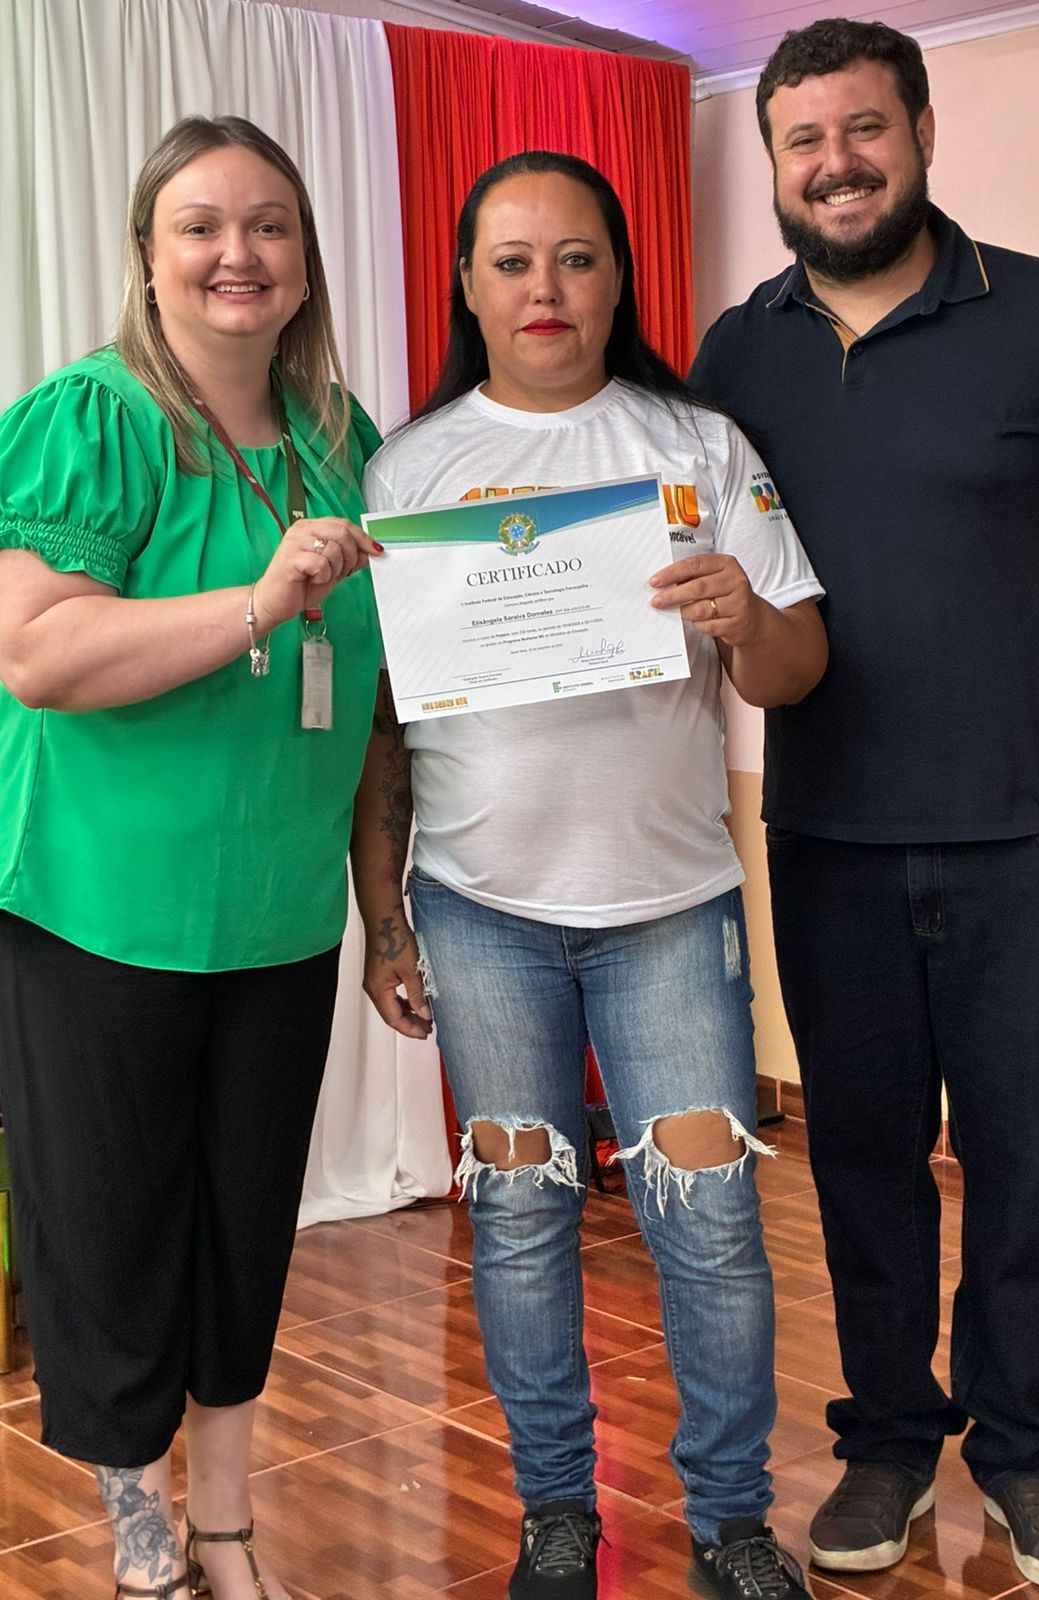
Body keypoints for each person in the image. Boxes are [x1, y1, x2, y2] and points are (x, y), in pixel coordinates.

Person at [689, 17, 1039, 1593]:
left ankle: (1029, 1455)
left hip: (1032, 847)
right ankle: (889, 1447)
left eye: (864, 129)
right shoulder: (734, 355)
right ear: (774, 164)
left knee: (1030, 1166)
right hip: (828, 842)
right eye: (803, 140)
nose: (835, 163)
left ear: (919, 133)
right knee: (861, 1166)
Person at [364, 150, 828, 1600]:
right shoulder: (408, 472)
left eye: (576, 257)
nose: (545, 289)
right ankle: (555, 1511)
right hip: (480, 908)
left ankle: (733, 1520)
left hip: (670, 907)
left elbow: (796, 671)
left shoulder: (697, 446)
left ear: (619, 275)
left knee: (714, 1227)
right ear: (466, 285)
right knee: (516, 1224)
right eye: (511, 262)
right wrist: (384, 916)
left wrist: (747, 615)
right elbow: (383, 724)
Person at [0, 116, 429, 1600]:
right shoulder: (95, 419)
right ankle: (140, 1532)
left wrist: (383, 917)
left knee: (247, 1231)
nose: (237, 253)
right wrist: (257, 600)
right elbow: (38, 655)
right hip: (100, 912)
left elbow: (371, 698)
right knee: (113, 1238)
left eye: (269, 226)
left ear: (304, 263)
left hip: (279, 917)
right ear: (147, 255)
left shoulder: (342, 439)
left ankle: (229, 1525)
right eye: (200, 226)